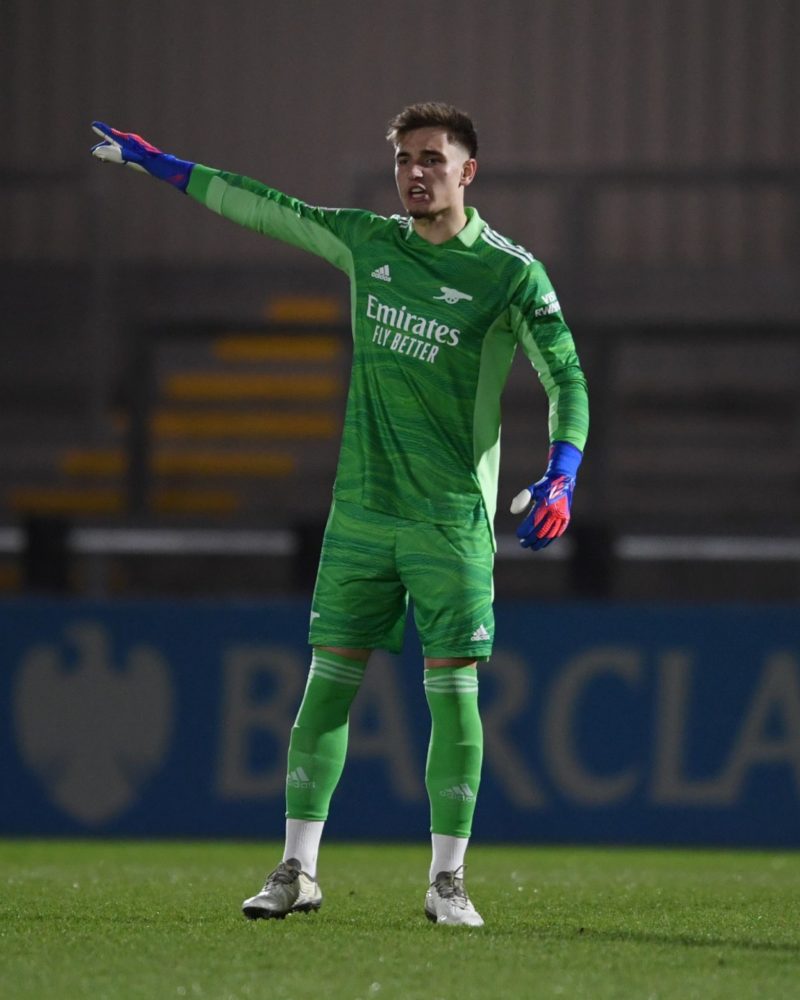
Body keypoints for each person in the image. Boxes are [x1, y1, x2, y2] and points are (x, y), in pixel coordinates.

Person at [90, 102, 589, 927]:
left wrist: (562, 475)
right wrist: (162, 165)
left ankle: (446, 883)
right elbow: (264, 205)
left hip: (450, 519)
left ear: (469, 171)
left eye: (433, 158)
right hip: (360, 512)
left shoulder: (512, 275)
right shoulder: (369, 242)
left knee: (453, 695)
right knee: (324, 691)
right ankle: (296, 870)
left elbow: (566, 379)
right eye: (404, 160)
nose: (415, 173)